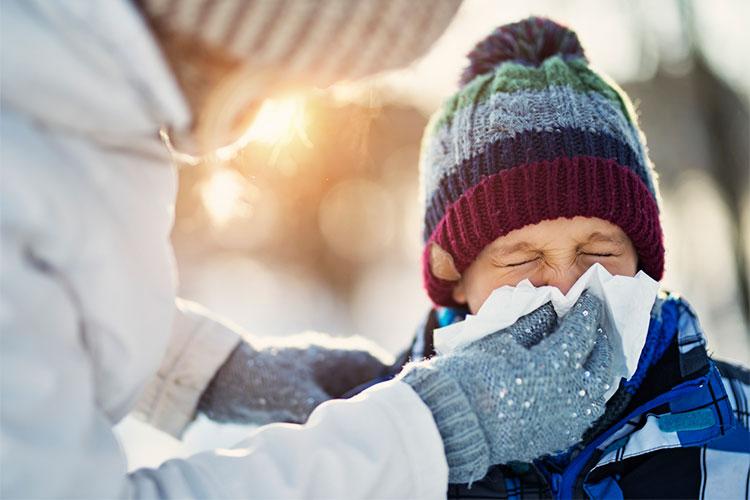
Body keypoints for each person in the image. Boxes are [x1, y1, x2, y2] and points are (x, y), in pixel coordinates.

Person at [0, 2, 614, 498]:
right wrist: (429, 433)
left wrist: (209, 369)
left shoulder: (63, 115)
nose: (564, 286)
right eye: (309, 72)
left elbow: (39, 300)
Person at [380, 16, 750, 498]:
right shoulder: (391, 449)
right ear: (455, 277)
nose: (565, 287)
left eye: (598, 251)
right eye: (520, 259)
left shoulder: (735, 423)